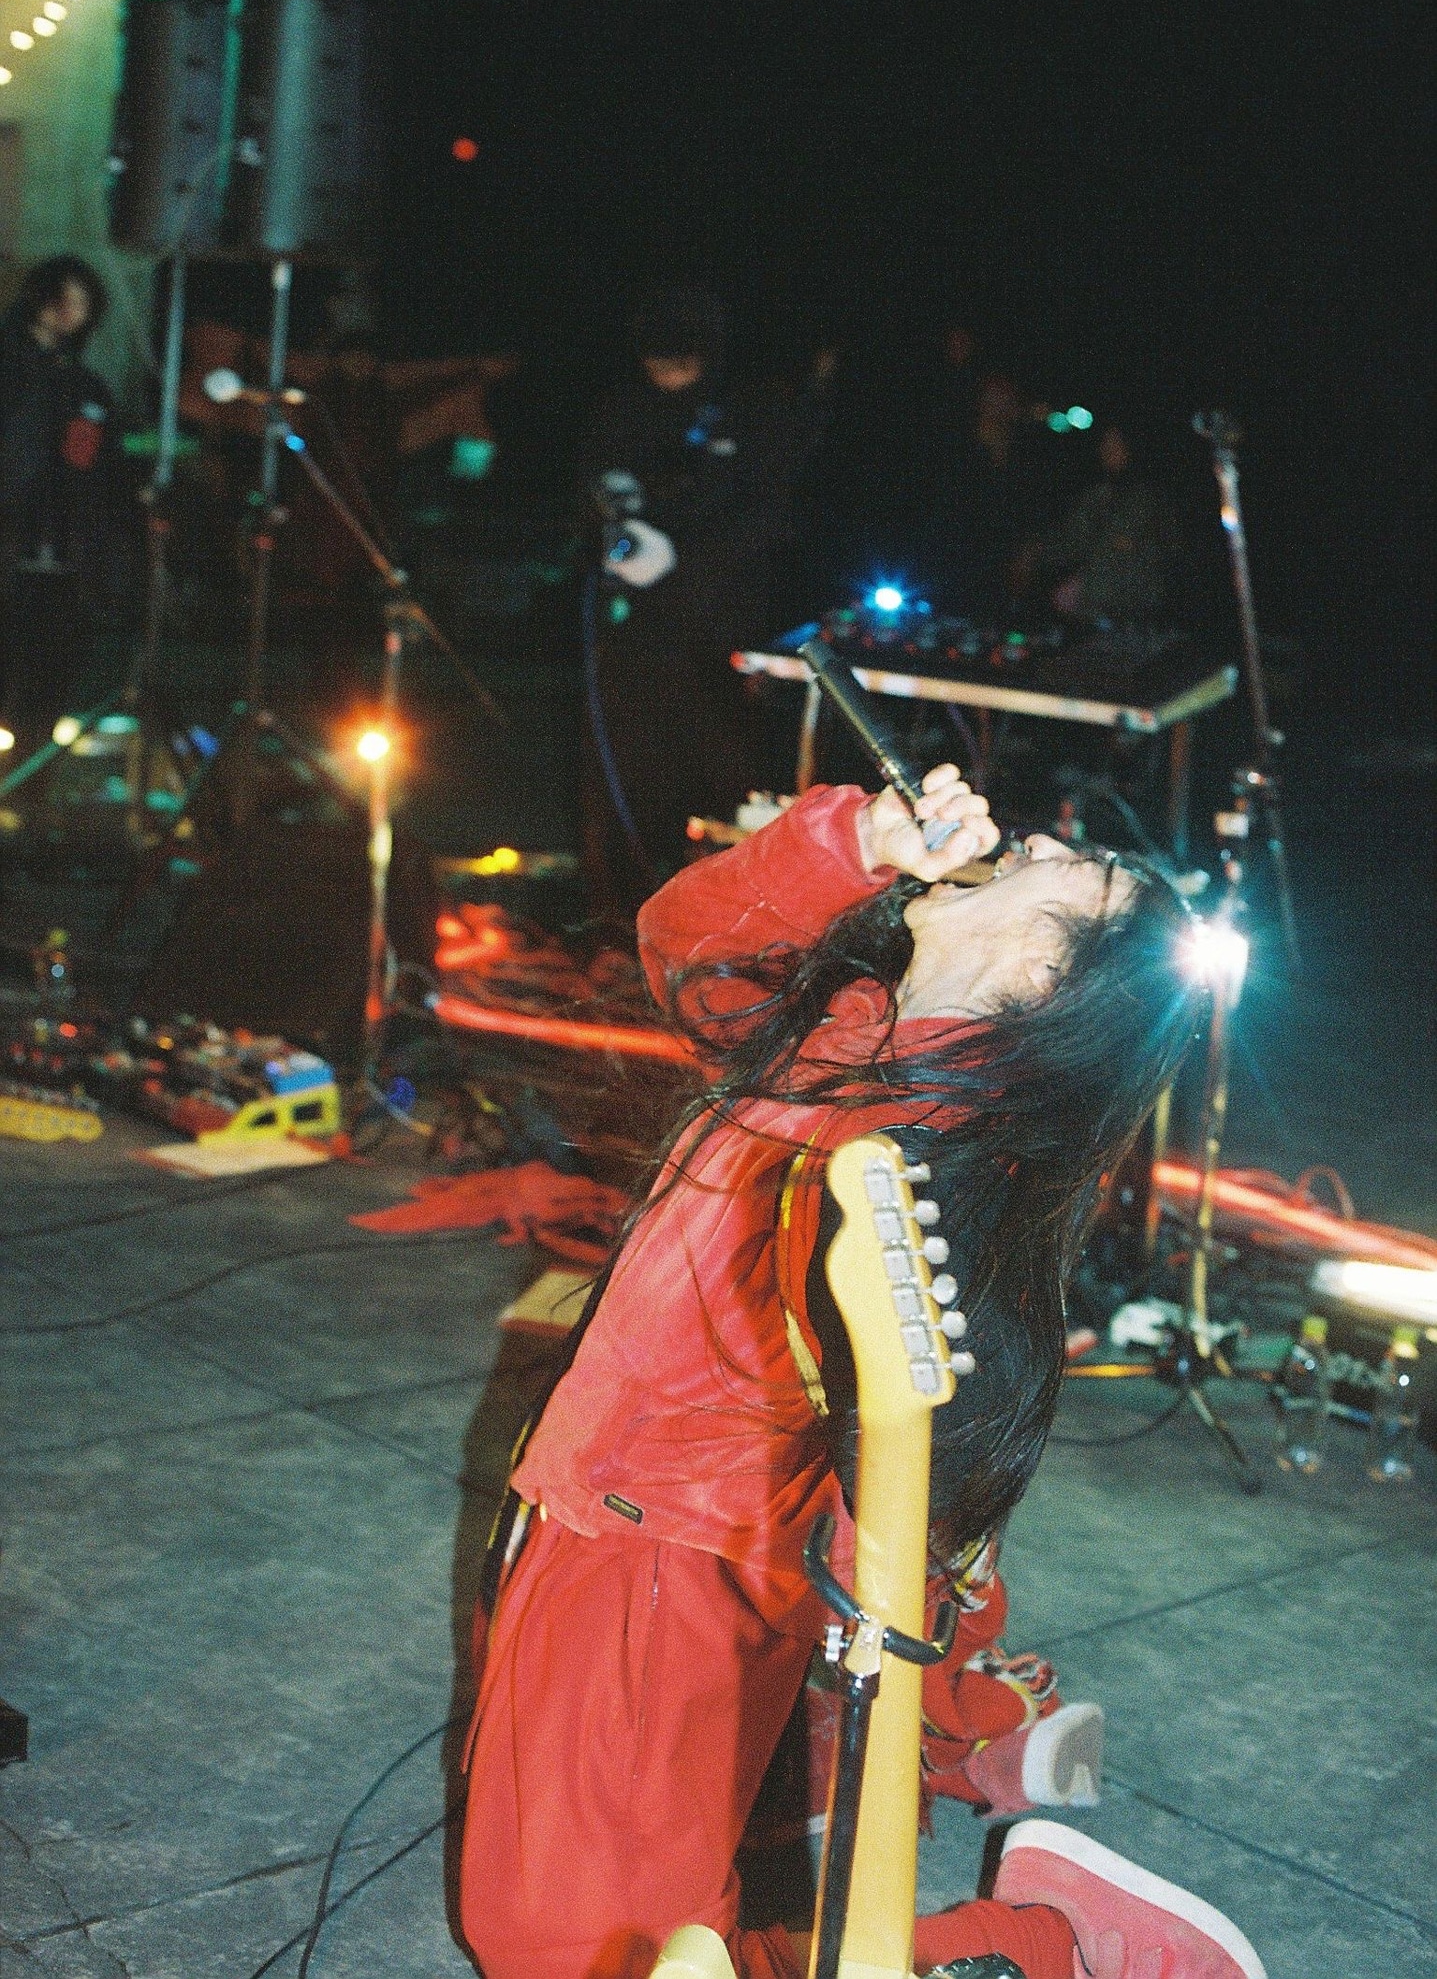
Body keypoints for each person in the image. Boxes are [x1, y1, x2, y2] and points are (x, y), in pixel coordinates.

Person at [458, 766, 1266, 1979]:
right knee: (562, 1926)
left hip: (669, 1563)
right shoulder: (854, 1025)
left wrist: (904, 1672)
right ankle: (899, 1776)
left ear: (1043, 976)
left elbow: (915, 1486)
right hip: (596, 1510)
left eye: (1063, 868)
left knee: (574, 1956)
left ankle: (1036, 1941)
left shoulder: (927, 1155)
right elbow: (684, 947)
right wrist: (852, 841)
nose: (1027, 839)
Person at [579, 286, 830, 916]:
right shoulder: (620, 410)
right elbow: (589, 490)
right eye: (656, 362)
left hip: (718, 629)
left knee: (719, 770)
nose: (667, 375)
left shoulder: (751, 412)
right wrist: (610, 524)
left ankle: (721, 916)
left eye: (681, 363)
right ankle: (617, 910)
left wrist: (683, 558)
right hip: (633, 633)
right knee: (622, 769)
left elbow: (771, 516)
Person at [0, 256, 119, 743]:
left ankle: (30, 777)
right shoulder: (15, 371)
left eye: (82, 302)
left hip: (63, 557)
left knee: (45, 687)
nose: (71, 312)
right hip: (14, 546)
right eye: (63, 298)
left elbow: (97, 468)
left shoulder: (82, 384)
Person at [1026, 421, 1187, 630]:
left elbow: (1134, 556)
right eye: (1105, 444)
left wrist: (1082, 588)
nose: (1108, 450)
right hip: (1096, 614)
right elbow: (1072, 542)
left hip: (1138, 614)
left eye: (1116, 444)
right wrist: (1035, 553)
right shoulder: (1098, 495)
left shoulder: (1150, 499)